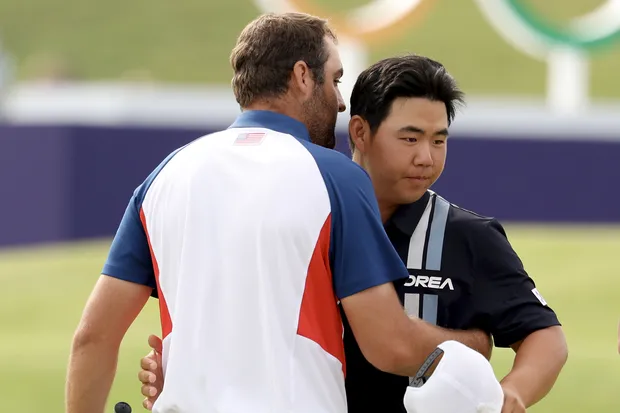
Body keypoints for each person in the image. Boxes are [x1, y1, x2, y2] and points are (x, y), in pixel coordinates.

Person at [65, 13, 493, 413]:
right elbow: (390, 346)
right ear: (303, 77)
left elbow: (92, 337)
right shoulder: (337, 178)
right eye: (335, 80)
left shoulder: (165, 175)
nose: (341, 103)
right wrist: (472, 345)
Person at [137, 55, 569, 413]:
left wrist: (511, 395)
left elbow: (545, 337)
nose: (426, 157)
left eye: (439, 140)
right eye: (410, 137)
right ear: (360, 131)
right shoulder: (293, 220)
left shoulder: (468, 236)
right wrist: (180, 376)